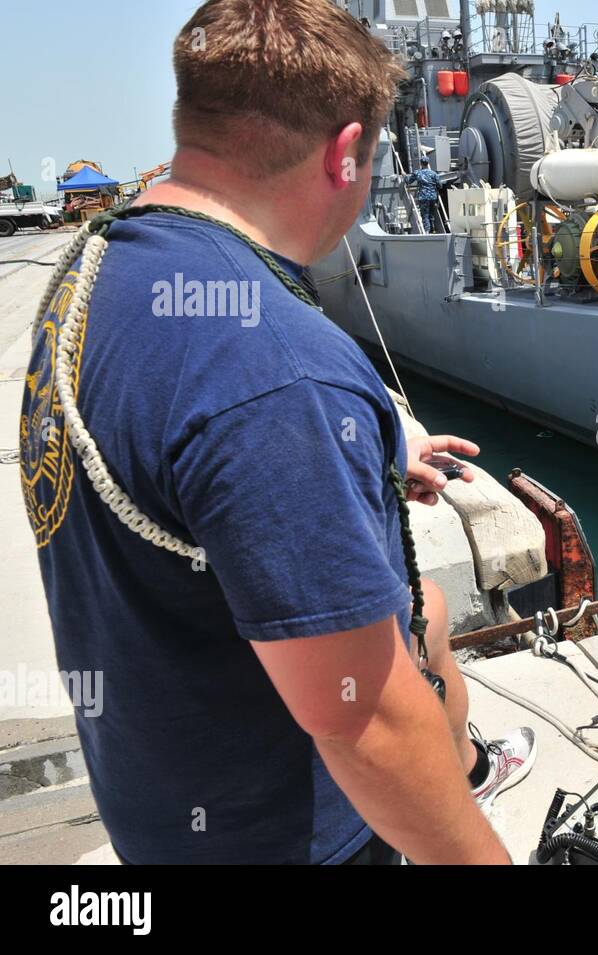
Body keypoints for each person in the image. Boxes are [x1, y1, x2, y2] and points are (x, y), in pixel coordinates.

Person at [18, 0, 530, 864]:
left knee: (431, 607)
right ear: (344, 154)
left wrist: (356, 455)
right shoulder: (276, 373)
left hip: (156, 794)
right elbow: (364, 720)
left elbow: (178, 445)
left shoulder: (97, 263)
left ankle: (474, 762)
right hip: (285, 837)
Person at [405, 156, 439, 233]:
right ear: (428, 163)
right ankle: (433, 229)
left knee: (425, 215)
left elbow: (408, 181)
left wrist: (404, 176)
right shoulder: (434, 174)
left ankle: (427, 231)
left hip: (423, 197)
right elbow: (439, 185)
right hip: (433, 197)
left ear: (421, 163)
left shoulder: (417, 172)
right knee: (431, 214)